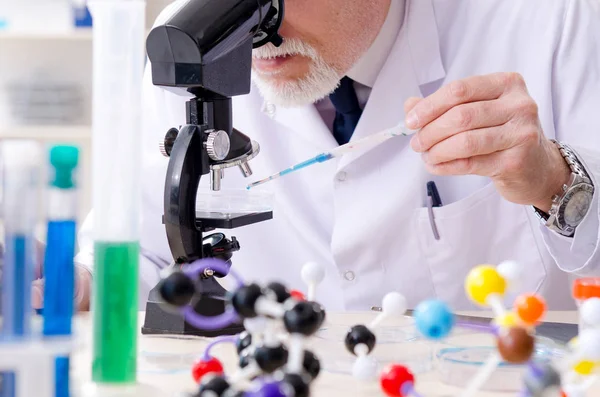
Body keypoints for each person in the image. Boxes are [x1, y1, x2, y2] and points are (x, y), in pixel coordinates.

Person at [39, 0, 600, 312]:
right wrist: (77, 286)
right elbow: (150, 258)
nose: (253, 31)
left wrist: (554, 182)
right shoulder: (191, 42)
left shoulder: (550, 17)